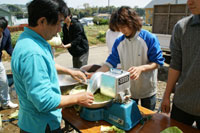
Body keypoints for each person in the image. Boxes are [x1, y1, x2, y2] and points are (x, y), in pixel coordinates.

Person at [11, 0, 94, 132]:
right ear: (42, 21)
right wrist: (78, 98)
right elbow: (44, 101)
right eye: (58, 23)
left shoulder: (29, 40)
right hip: (42, 126)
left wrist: (69, 71)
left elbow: (47, 64)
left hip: (33, 122)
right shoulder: (33, 53)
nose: (60, 29)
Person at [95, 6, 164, 110]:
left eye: (123, 27)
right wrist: (96, 74)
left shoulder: (149, 38)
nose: (121, 31)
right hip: (129, 88)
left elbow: (157, 62)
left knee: (149, 118)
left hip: (147, 88)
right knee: (132, 117)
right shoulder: (119, 42)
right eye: (119, 28)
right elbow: (110, 63)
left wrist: (141, 68)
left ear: (132, 22)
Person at [161, 0, 200, 129]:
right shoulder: (182, 27)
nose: (189, 2)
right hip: (183, 103)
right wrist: (166, 96)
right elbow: (175, 64)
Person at [0, 17, 18, 109]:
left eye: (1, 31)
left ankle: (5, 102)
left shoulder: (6, 33)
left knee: (3, 81)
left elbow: (9, 48)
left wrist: (16, 56)